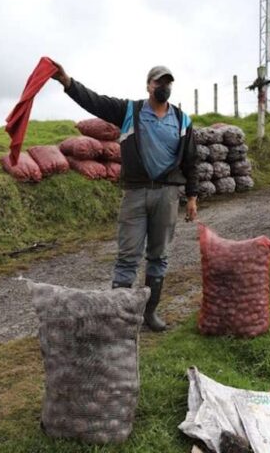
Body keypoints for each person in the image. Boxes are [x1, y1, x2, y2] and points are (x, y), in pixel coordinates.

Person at [51, 62, 199, 332]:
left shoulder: (181, 120)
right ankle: (118, 319)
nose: (162, 87)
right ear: (148, 86)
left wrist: (192, 196)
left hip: (167, 195)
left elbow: (191, 159)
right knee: (128, 256)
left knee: (159, 255)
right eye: (158, 82)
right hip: (135, 194)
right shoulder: (130, 111)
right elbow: (95, 102)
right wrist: (67, 82)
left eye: (167, 83)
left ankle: (149, 314)